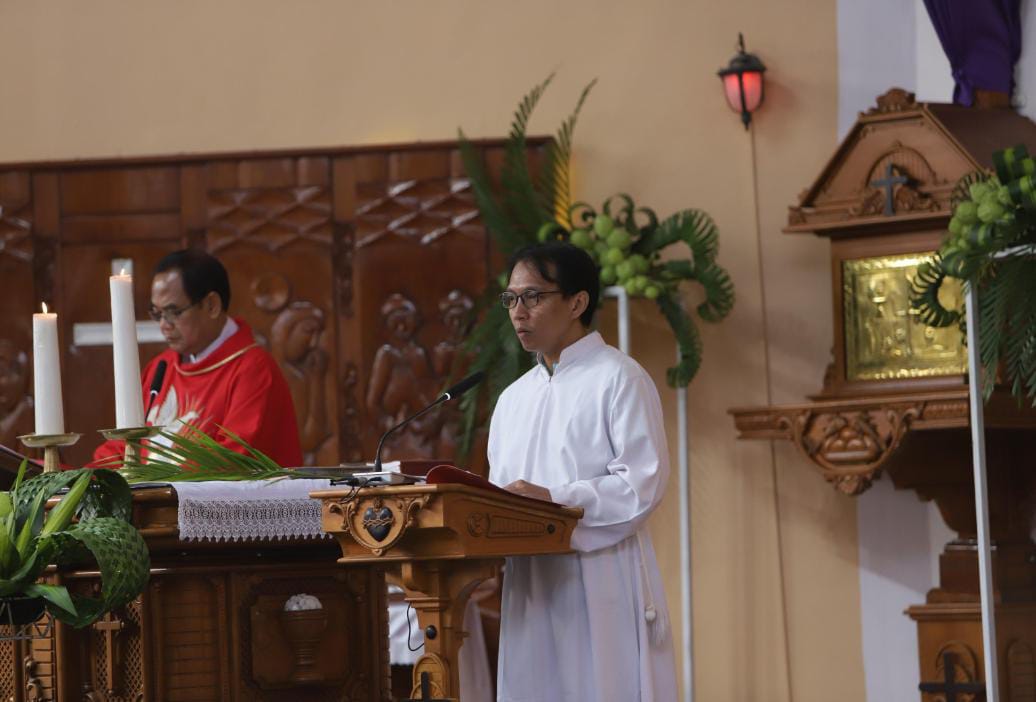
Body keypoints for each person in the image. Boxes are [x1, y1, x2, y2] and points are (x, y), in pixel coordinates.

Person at [488, 242, 677, 702]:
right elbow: (495, 495)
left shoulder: (619, 378)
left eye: (533, 297)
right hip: (530, 586)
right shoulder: (513, 398)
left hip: (597, 578)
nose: (518, 312)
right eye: (511, 299)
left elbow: (642, 483)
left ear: (577, 302)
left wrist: (553, 500)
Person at [94, 249, 303, 467]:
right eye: (157, 313)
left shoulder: (253, 369)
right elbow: (123, 449)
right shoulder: (161, 368)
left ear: (212, 305)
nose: (164, 324)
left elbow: (233, 462)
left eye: (174, 312)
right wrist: (77, 479)